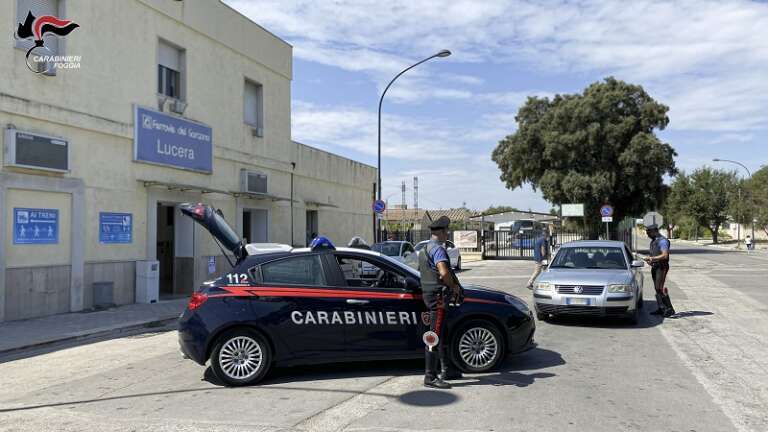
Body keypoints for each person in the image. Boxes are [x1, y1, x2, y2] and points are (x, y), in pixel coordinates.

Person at [418, 215, 464, 389]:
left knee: (441, 334)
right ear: (443, 232)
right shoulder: (438, 250)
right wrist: (454, 288)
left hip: (429, 295)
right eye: (447, 231)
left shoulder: (424, 249)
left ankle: (447, 369)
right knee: (434, 336)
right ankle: (430, 377)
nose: (448, 234)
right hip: (437, 298)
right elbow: (444, 273)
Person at [643, 224, 676, 318]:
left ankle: (669, 308)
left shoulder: (663, 241)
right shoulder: (653, 241)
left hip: (662, 267)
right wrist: (651, 261)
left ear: (654, 231)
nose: (647, 235)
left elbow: (665, 255)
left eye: (648, 232)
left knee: (659, 288)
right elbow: (655, 256)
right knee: (657, 288)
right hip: (655, 267)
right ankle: (661, 308)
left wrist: (652, 258)